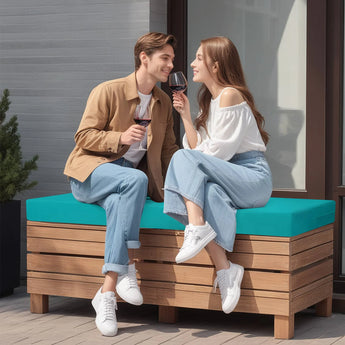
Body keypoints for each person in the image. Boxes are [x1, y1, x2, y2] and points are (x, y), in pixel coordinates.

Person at [64, 32, 179, 337]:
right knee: (134, 179)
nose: (170, 64)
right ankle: (128, 264)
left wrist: (184, 183)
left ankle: (107, 292)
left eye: (172, 59)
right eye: (164, 58)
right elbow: (83, 136)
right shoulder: (108, 90)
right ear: (145, 57)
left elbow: (168, 150)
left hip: (126, 181)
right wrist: (120, 138)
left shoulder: (163, 102)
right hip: (90, 173)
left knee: (122, 197)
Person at [163, 36, 272, 314]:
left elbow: (215, 153)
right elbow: (199, 150)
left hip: (252, 177)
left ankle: (196, 228)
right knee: (207, 191)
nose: (192, 63)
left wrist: (190, 159)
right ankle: (226, 269)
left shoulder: (230, 95)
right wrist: (186, 117)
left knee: (182, 158)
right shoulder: (211, 102)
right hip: (228, 174)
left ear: (216, 64)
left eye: (199, 58)